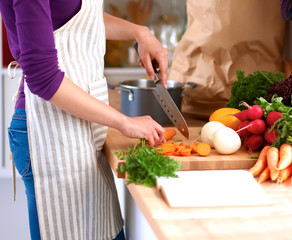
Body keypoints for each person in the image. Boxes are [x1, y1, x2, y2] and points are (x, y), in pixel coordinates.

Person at [0, 0, 168, 239]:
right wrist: (125, 122)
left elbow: (76, 17)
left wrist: (139, 32)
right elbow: (42, 77)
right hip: (49, 132)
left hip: (81, 128)